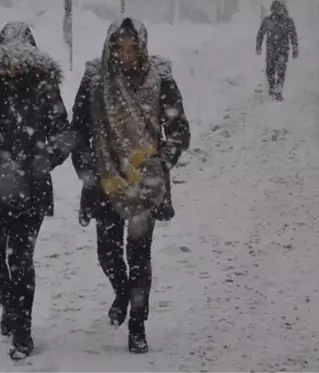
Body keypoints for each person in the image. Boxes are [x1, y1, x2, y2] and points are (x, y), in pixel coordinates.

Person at [71, 17, 191, 354]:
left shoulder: (159, 77)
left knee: (139, 256)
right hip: (107, 181)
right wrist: (88, 173)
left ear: (142, 47)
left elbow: (179, 130)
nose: (125, 55)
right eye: (118, 48)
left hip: (144, 184)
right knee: (107, 254)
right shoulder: (96, 79)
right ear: (109, 47)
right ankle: (122, 292)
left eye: (132, 48)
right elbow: (78, 130)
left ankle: (137, 326)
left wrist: (159, 164)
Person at [0, 21, 72, 360]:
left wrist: (38, 164)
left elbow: (62, 137)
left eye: (22, 58)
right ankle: (9, 301)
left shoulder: (45, 90)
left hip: (31, 192)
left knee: (20, 260)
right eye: (8, 58)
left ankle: (23, 330)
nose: (14, 65)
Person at [256, 0, 299, 101]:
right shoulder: (268, 21)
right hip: (271, 49)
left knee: (281, 71)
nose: (278, 11)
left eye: (280, 8)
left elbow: (293, 36)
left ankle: (278, 91)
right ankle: (272, 87)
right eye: (276, 9)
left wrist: (295, 48)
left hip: (282, 50)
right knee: (270, 70)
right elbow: (260, 34)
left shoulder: (288, 21)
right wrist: (258, 46)